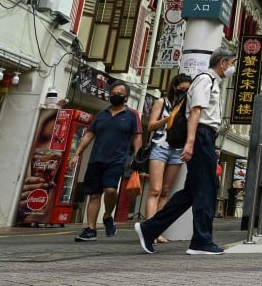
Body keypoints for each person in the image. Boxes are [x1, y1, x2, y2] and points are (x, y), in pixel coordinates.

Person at [135, 47, 237, 255]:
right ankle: (201, 241)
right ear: (223, 63)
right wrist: (190, 143)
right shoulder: (204, 80)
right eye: (233, 62)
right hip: (201, 134)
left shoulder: (213, 82)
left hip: (205, 136)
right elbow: (195, 112)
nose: (233, 67)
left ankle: (149, 228)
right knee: (206, 189)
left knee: (192, 192)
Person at [72, 81, 142, 242]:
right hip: (96, 159)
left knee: (110, 190)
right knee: (94, 195)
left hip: (117, 159)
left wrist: (137, 157)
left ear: (126, 97)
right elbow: (89, 135)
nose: (115, 95)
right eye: (113, 93)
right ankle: (90, 229)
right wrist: (76, 154)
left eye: (119, 93)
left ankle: (108, 214)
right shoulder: (102, 114)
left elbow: (137, 136)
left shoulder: (132, 115)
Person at [144, 73, 192, 239]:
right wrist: (168, 119)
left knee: (165, 191)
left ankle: (157, 230)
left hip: (177, 150)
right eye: (181, 89)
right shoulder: (162, 102)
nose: (183, 92)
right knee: (155, 190)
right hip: (160, 146)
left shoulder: (189, 106)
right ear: (174, 87)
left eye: (187, 90)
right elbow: (151, 126)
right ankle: (148, 230)